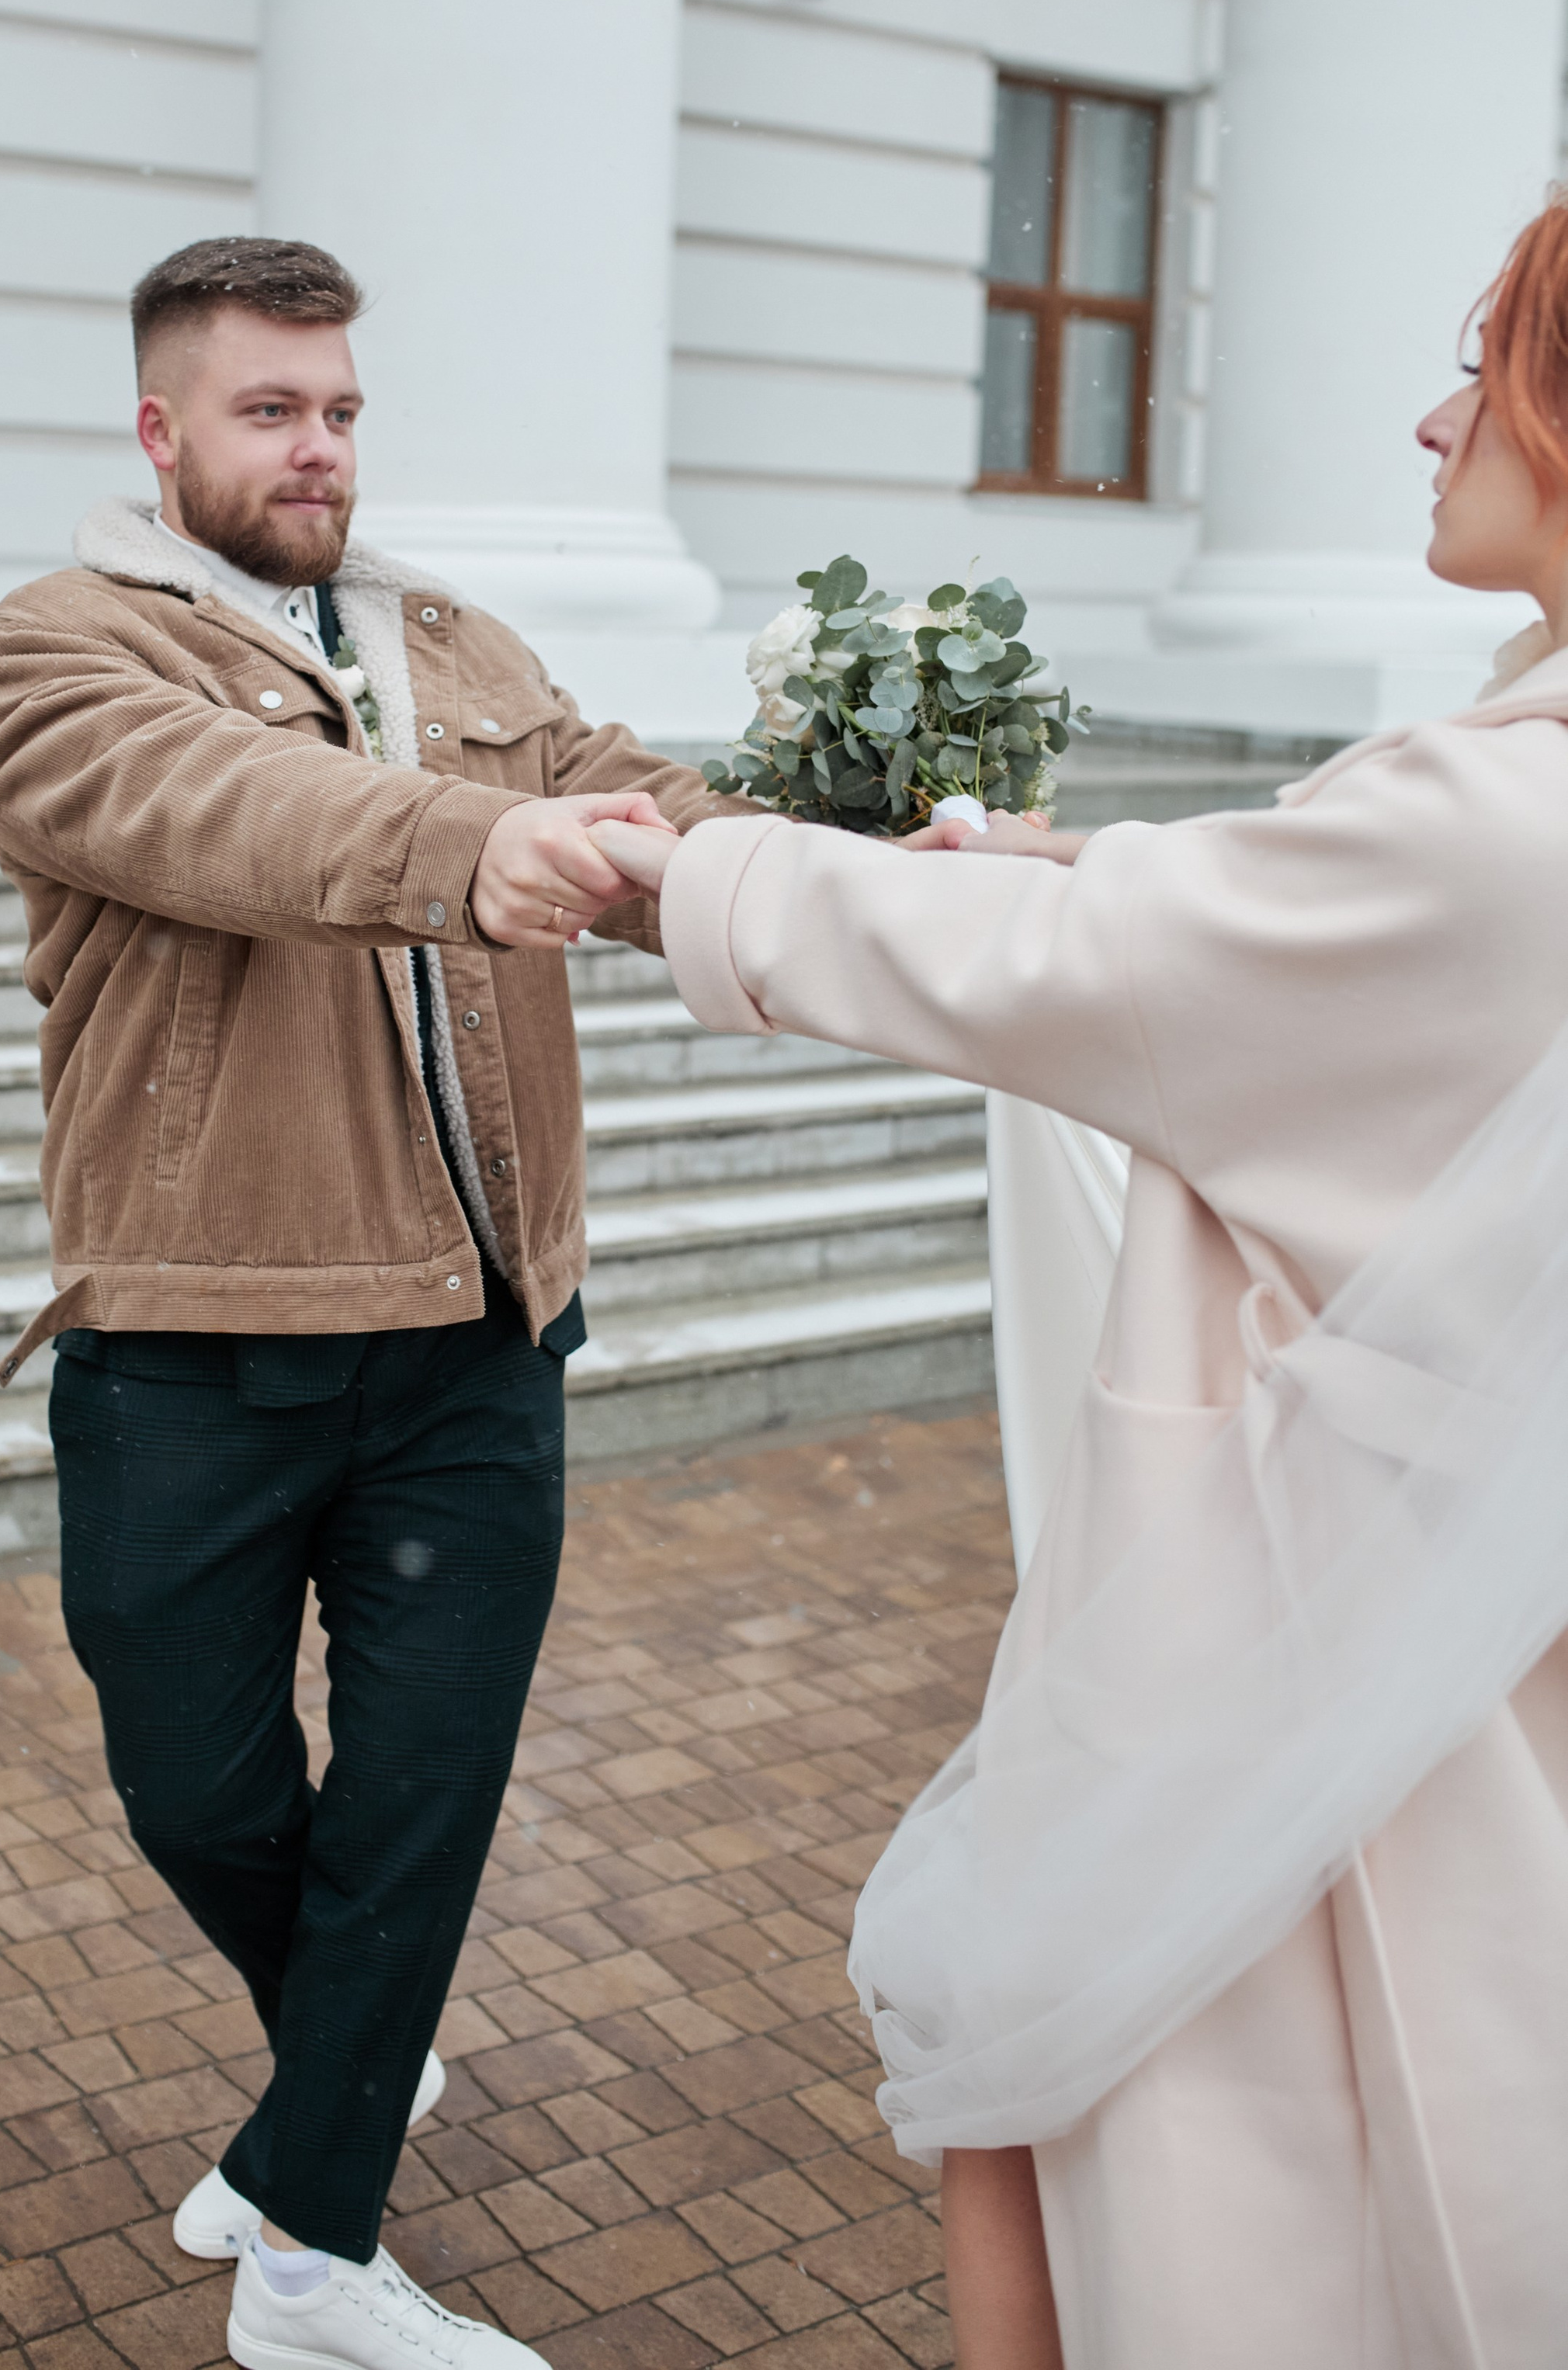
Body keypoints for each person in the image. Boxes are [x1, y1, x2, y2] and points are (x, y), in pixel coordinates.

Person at [591, 194, 1568, 2368]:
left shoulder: (1509, 823)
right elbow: (1260, 920)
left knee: (1171, 2137)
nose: (1432, 416)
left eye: (1485, 362)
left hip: (1344, 1670)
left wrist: (681, 877)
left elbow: (1112, 968)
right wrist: (1084, 854)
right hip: (1475, 1610)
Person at [0, 236, 734, 2370]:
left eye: (344, 409)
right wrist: (475, 839)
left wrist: (844, 856)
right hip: (202, 1333)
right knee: (197, 1791)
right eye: (272, 409)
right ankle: (350, 2072)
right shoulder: (49, 652)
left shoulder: (452, 634)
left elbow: (642, 794)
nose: (320, 449)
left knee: (421, 1794)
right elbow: (232, 814)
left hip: (482, 1344)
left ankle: (310, 2255)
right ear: (163, 428)